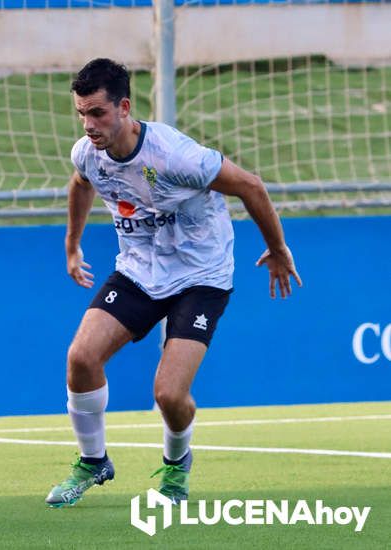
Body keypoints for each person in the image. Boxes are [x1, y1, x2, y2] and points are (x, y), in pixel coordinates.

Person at [45, 58, 302, 507]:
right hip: (139, 271)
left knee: (168, 393)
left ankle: (176, 463)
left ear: (124, 107)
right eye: (82, 113)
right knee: (81, 358)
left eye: (98, 113)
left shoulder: (176, 156)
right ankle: (93, 462)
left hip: (201, 276)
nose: (88, 124)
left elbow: (251, 186)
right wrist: (72, 244)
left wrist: (278, 249)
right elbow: (80, 184)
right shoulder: (87, 152)